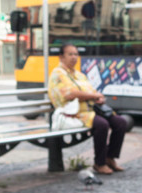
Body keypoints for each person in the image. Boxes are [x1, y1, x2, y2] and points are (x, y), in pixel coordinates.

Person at [47, 43, 128, 175]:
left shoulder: (79, 75)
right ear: (61, 57)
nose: (74, 57)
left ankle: (110, 158)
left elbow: (91, 91)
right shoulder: (58, 73)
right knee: (102, 125)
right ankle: (99, 163)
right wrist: (95, 95)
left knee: (120, 122)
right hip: (74, 113)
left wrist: (98, 98)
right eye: (70, 54)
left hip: (90, 110)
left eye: (76, 54)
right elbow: (70, 94)